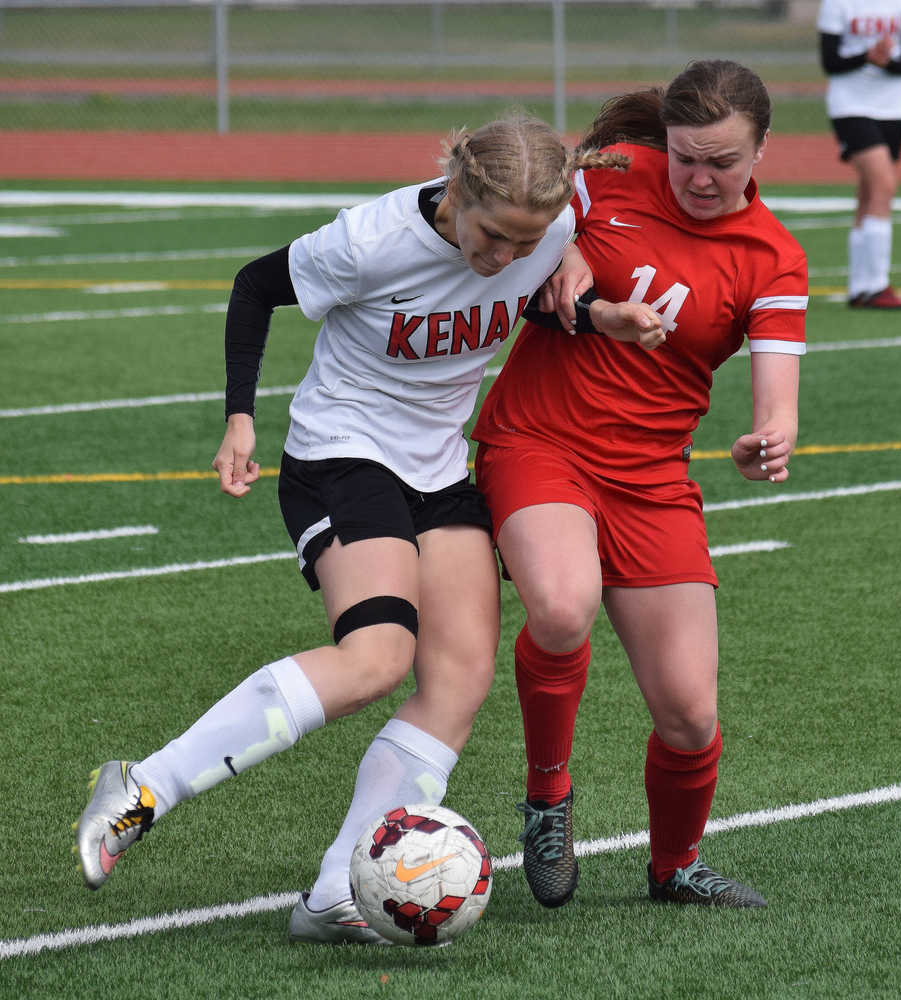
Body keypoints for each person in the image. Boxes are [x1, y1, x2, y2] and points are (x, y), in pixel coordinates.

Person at [72, 113, 626, 945]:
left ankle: (337, 889)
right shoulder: (370, 242)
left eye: (530, 241)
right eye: (495, 235)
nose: (508, 257)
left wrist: (588, 299)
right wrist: (238, 419)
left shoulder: (554, 223)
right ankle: (141, 788)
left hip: (438, 470)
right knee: (377, 657)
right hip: (342, 453)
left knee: (462, 676)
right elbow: (255, 285)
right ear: (459, 193)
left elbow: (542, 275)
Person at [471, 60, 808, 910]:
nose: (698, 177)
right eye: (687, 155)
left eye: (722, 162)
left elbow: (778, 398)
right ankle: (548, 799)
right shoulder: (612, 176)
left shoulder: (774, 258)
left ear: (763, 148)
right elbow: (513, 223)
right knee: (559, 605)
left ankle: (674, 867)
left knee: (692, 716)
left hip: (653, 475)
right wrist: (569, 247)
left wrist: (767, 440)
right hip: (538, 441)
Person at [818, 0, 901, 309]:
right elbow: (829, 61)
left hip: (893, 108)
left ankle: (860, 287)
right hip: (850, 106)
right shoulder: (837, 4)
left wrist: (886, 63)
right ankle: (877, 284)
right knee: (884, 185)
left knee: (869, 193)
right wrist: (868, 56)